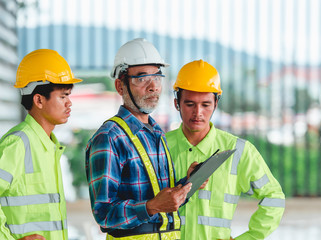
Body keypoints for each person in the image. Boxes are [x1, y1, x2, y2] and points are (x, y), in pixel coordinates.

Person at [85, 38, 193, 240]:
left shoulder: (156, 132)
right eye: (142, 78)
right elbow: (104, 214)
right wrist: (151, 207)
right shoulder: (109, 137)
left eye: (157, 77)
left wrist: (186, 184)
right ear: (120, 86)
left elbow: (159, 200)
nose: (153, 86)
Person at [166, 59, 285, 240]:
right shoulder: (159, 147)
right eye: (190, 104)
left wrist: (249, 238)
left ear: (216, 104)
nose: (198, 112)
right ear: (177, 103)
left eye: (205, 104)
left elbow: (274, 198)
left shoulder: (238, 151)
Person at [0, 49, 82, 240]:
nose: (69, 103)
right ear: (38, 100)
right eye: (63, 96)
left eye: (69, 95)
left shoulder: (49, 147)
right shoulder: (18, 144)